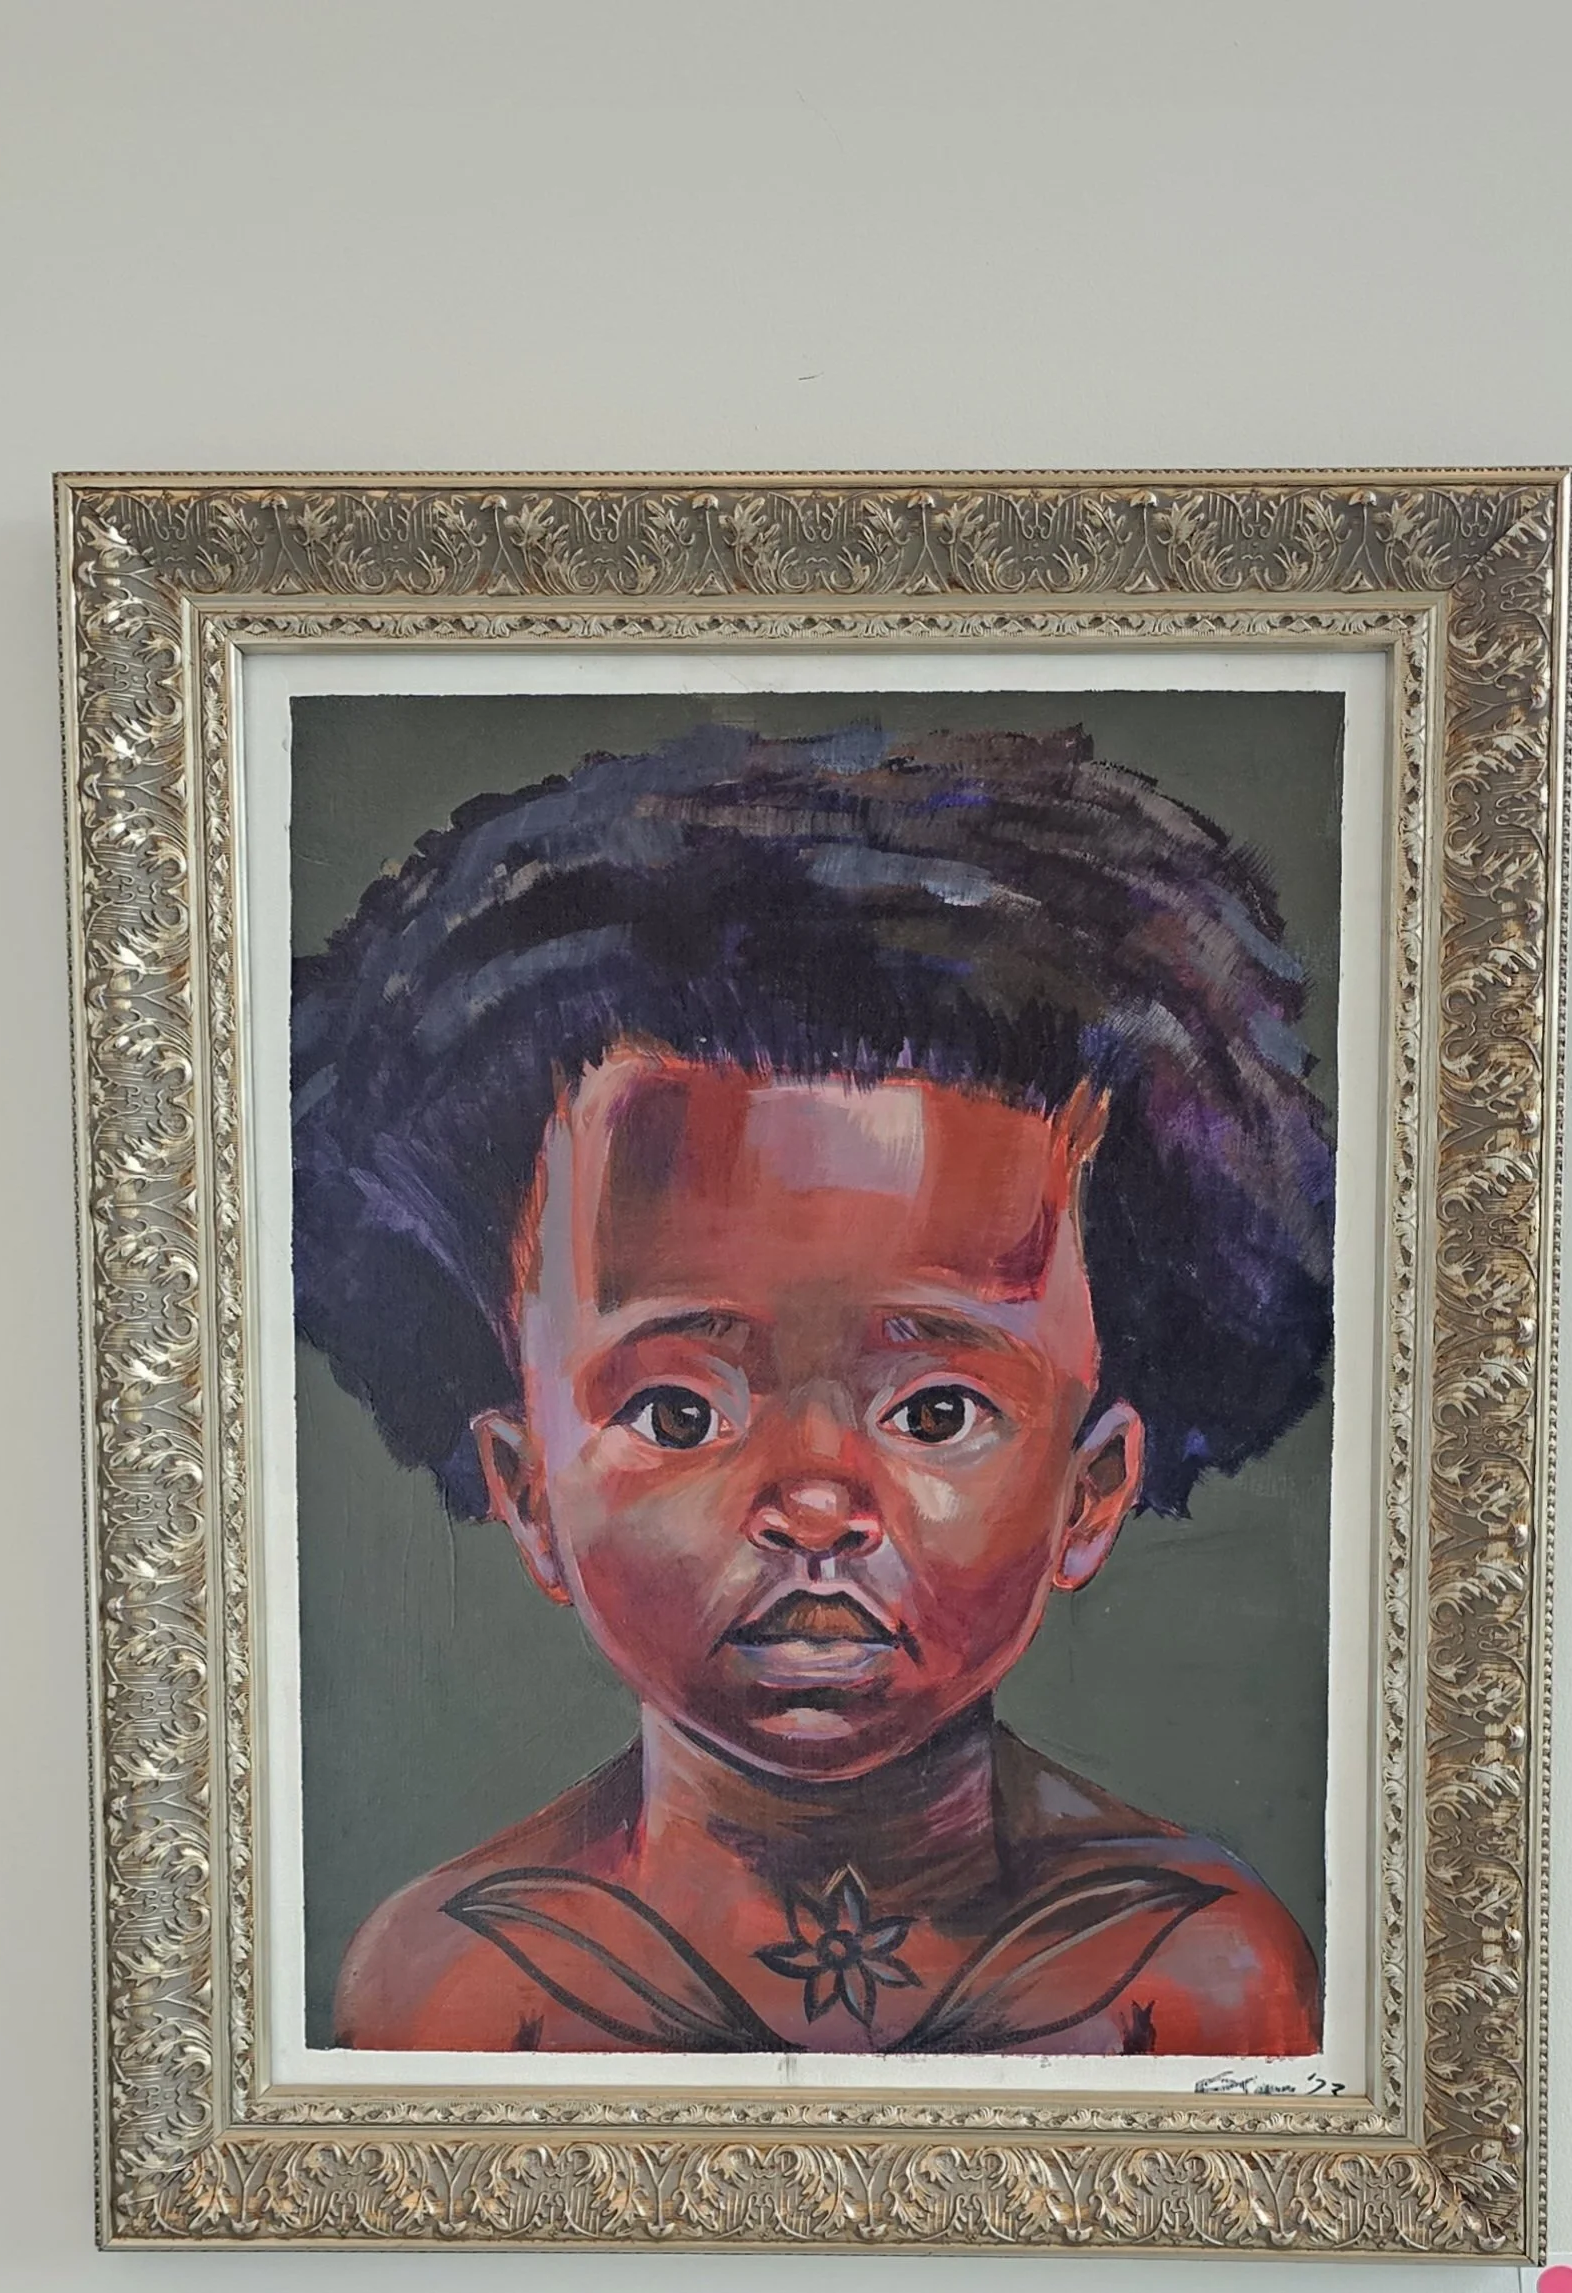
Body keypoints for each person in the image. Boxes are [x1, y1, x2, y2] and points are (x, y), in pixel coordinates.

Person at [292, 722, 1333, 2056]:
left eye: (936, 1411)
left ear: (1092, 1491)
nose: (816, 1505)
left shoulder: (1200, 1976)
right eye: (679, 1413)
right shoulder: (458, 1988)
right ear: (527, 1490)